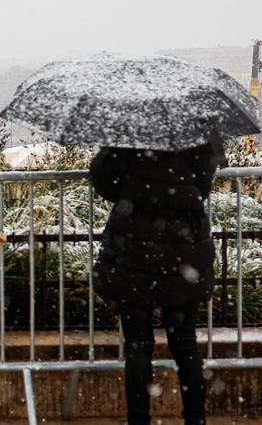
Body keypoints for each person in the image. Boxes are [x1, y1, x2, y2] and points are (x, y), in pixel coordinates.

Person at [89, 141, 224, 425]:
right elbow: (203, 187)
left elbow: (106, 183)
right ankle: (195, 419)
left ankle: (139, 420)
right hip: (184, 250)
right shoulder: (201, 133)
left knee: (138, 346)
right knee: (185, 344)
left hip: (135, 249)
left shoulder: (128, 132)